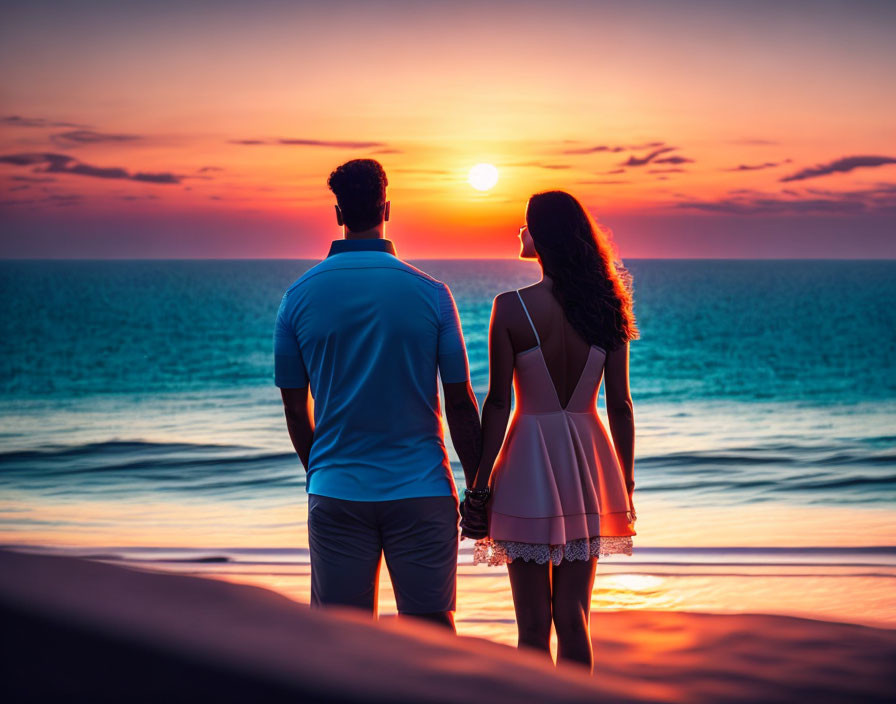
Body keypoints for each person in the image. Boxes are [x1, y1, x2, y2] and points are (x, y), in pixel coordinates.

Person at [274, 159, 482, 631]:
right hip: (422, 488)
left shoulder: (298, 296)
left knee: (340, 642)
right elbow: (461, 403)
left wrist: (323, 467)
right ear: (387, 207)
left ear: (337, 213)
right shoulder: (432, 294)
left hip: (337, 489)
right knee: (432, 639)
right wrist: (478, 487)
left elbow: (293, 408)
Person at [461, 190, 638, 670]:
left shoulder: (510, 308)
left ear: (542, 237)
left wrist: (478, 485)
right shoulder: (608, 307)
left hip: (527, 463)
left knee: (532, 626)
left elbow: (498, 403)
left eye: (525, 224)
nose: (519, 232)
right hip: (588, 463)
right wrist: (625, 481)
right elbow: (619, 405)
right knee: (574, 617)